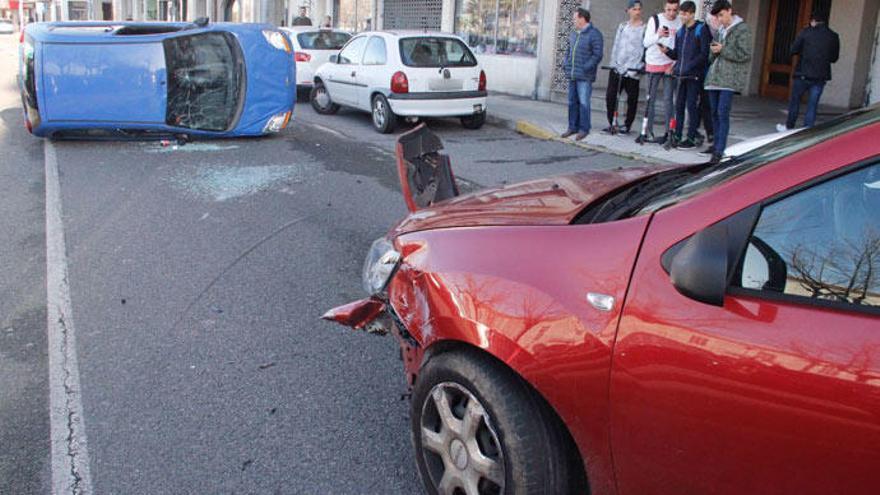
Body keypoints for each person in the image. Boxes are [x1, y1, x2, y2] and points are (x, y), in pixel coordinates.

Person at [703, 0, 752, 163]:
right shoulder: (720, 30)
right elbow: (711, 57)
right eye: (717, 16)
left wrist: (723, 49)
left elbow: (744, 54)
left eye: (722, 15)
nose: (720, 19)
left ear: (729, 11)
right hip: (714, 77)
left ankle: (719, 149)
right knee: (714, 113)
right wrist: (714, 50)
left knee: (722, 113)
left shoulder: (742, 29)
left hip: (729, 78)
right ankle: (716, 144)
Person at [661, 1, 711, 149]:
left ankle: (691, 136)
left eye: (683, 14)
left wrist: (689, 66)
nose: (681, 16)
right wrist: (667, 51)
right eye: (680, 14)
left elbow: (704, 54)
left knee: (691, 106)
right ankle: (677, 134)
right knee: (679, 106)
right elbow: (677, 54)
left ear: (691, 13)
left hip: (694, 75)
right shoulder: (681, 31)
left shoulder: (701, 29)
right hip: (681, 75)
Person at [779, 11, 840, 130]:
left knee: (795, 102)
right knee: (812, 105)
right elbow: (834, 58)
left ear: (813, 21)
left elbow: (793, 50)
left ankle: (789, 126)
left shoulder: (805, 33)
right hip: (820, 76)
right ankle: (807, 129)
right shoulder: (833, 36)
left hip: (802, 73)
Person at [639, 0, 682, 144]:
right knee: (650, 99)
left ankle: (668, 133)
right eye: (669, 9)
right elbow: (645, 42)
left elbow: (680, 47)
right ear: (665, 7)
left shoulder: (680, 22)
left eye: (675, 10)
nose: (672, 13)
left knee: (669, 100)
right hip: (653, 62)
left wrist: (674, 64)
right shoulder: (655, 19)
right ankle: (647, 132)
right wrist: (658, 35)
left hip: (670, 64)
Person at [603, 0, 646, 135]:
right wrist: (613, 64)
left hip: (633, 70)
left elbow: (645, 49)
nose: (637, 12)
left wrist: (640, 66)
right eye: (634, 9)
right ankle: (612, 123)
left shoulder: (644, 28)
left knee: (631, 100)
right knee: (611, 96)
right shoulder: (622, 26)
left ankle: (627, 125)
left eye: (639, 9)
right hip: (617, 68)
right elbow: (616, 45)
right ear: (628, 10)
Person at [561, 8, 604, 141]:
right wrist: (566, 62)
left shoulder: (594, 34)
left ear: (582, 18)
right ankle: (572, 127)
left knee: (584, 102)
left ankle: (584, 128)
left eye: (575, 18)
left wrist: (586, 67)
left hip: (585, 76)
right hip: (573, 73)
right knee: (572, 102)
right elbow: (568, 50)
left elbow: (597, 55)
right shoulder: (574, 33)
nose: (573, 21)